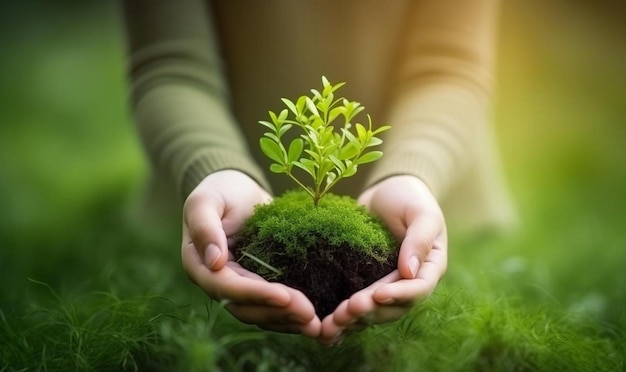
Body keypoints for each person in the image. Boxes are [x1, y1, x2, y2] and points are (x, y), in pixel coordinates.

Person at [121, 0, 516, 346]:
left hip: (439, 199)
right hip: (218, 218)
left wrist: (414, 173)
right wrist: (211, 167)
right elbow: (170, 66)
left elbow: (450, 68)